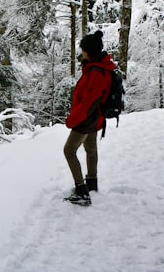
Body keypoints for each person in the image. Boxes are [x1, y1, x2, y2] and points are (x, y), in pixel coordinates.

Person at [63, 29, 117, 206]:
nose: (81, 53)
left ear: (89, 51)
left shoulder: (95, 73)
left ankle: (82, 191)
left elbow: (88, 103)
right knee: (91, 150)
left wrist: (72, 121)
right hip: (95, 119)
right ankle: (92, 184)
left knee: (69, 150)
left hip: (87, 120)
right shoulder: (99, 67)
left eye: (83, 50)